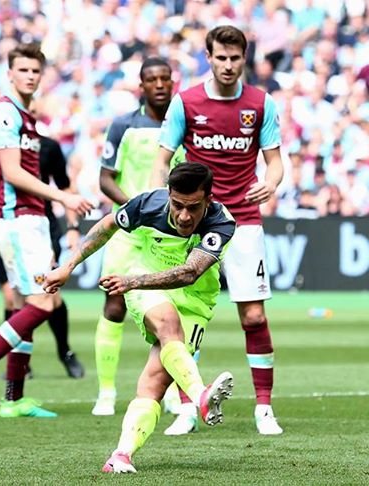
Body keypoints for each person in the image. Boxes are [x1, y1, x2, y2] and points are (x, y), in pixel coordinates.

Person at [43, 163, 235, 473]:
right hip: (146, 284)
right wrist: (68, 266)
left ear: (209, 200)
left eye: (194, 208)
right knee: (167, 324)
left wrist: (135, 282)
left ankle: (121, 455)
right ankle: (200, 396)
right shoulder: (148, 204)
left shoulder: (221, 222)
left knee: (154, 384)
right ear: (169, 195)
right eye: (178, 205)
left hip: (195, 301)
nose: (185, 216)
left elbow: (190, 273)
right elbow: (107, 226)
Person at [152, 25, 284, 435]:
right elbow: (162, 159)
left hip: (243, 219)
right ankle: (188, 407)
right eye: (221, 58)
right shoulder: (186, 102)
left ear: (244, 58)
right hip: (195, 224)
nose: (228, 65)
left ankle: (264, 408)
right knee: (184, 320)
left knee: (253, 315)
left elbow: (275, 160)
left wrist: (273, 180)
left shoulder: (260, 104)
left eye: (235, 58)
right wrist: (164, 203)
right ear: (208, 58)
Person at [0, 42, 93, 418]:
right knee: (44, 302)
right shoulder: (3, 113)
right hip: (15, 219)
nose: (30, 76)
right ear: (9, 73)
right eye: (23, 70)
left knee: (32, 302)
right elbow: (12, 173)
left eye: (35, 70)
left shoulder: (26, 116)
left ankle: (13, 399)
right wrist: (64, 196)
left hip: (30, 220)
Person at [92, 57, 185, 416]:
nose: (160, 84)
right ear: (141, 85)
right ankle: (106, 392)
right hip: (128, 231)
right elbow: (105, 178)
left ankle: (173, 393)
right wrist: (137, 208)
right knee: (114, 305)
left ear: (172, 82)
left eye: (165, 78)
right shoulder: (123, 126)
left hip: (168, 235)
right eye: (152, 79)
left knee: (169, 313)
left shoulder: (183, 126)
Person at [0, 132, 85, 379]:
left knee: (48, 295)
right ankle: (19, 368)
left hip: (40, 227)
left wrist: (73, 227)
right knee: (12, 298)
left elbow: (65, 186)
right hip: (5, 226)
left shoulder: (48, 147)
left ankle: (65, 351)